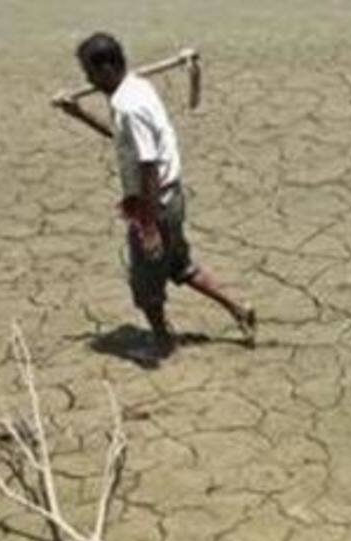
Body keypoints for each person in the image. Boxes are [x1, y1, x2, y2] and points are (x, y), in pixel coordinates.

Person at [53, 32, 255, 359]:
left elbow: (148, 164)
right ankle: (239, 308)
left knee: (145, 284)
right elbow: (123, 140)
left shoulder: (128, 106)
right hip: (169, 198)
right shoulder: (136, 87)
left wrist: (146, 225)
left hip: (155, 203)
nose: (86, 79)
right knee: (180, 266)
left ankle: (162, 343)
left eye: (88, 73)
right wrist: (78, 114)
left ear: (105, 69)